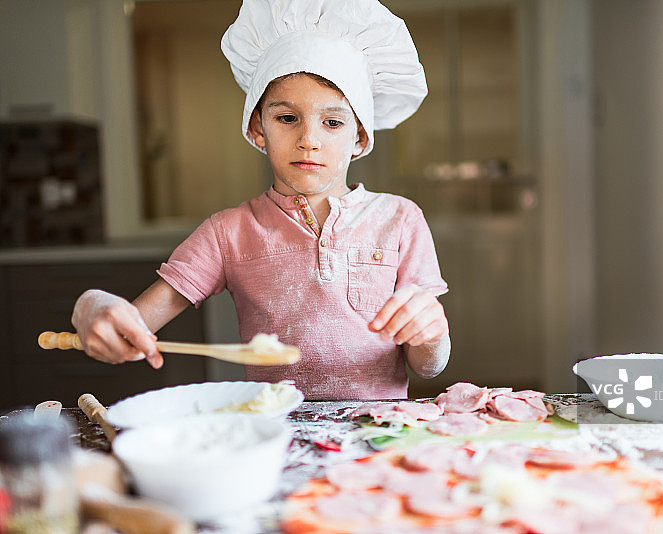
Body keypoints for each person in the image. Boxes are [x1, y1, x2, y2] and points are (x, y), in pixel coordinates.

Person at [70, 0, 450, 400]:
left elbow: (428, 365)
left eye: (333, 122)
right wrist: (93, 305)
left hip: (376, 433)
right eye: (287, 118)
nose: (309, 139)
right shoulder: (227, 232)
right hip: (273, 433)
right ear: (258, 127)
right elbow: (134, 325)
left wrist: (432, 332)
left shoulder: (401, 219)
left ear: (359, 136)